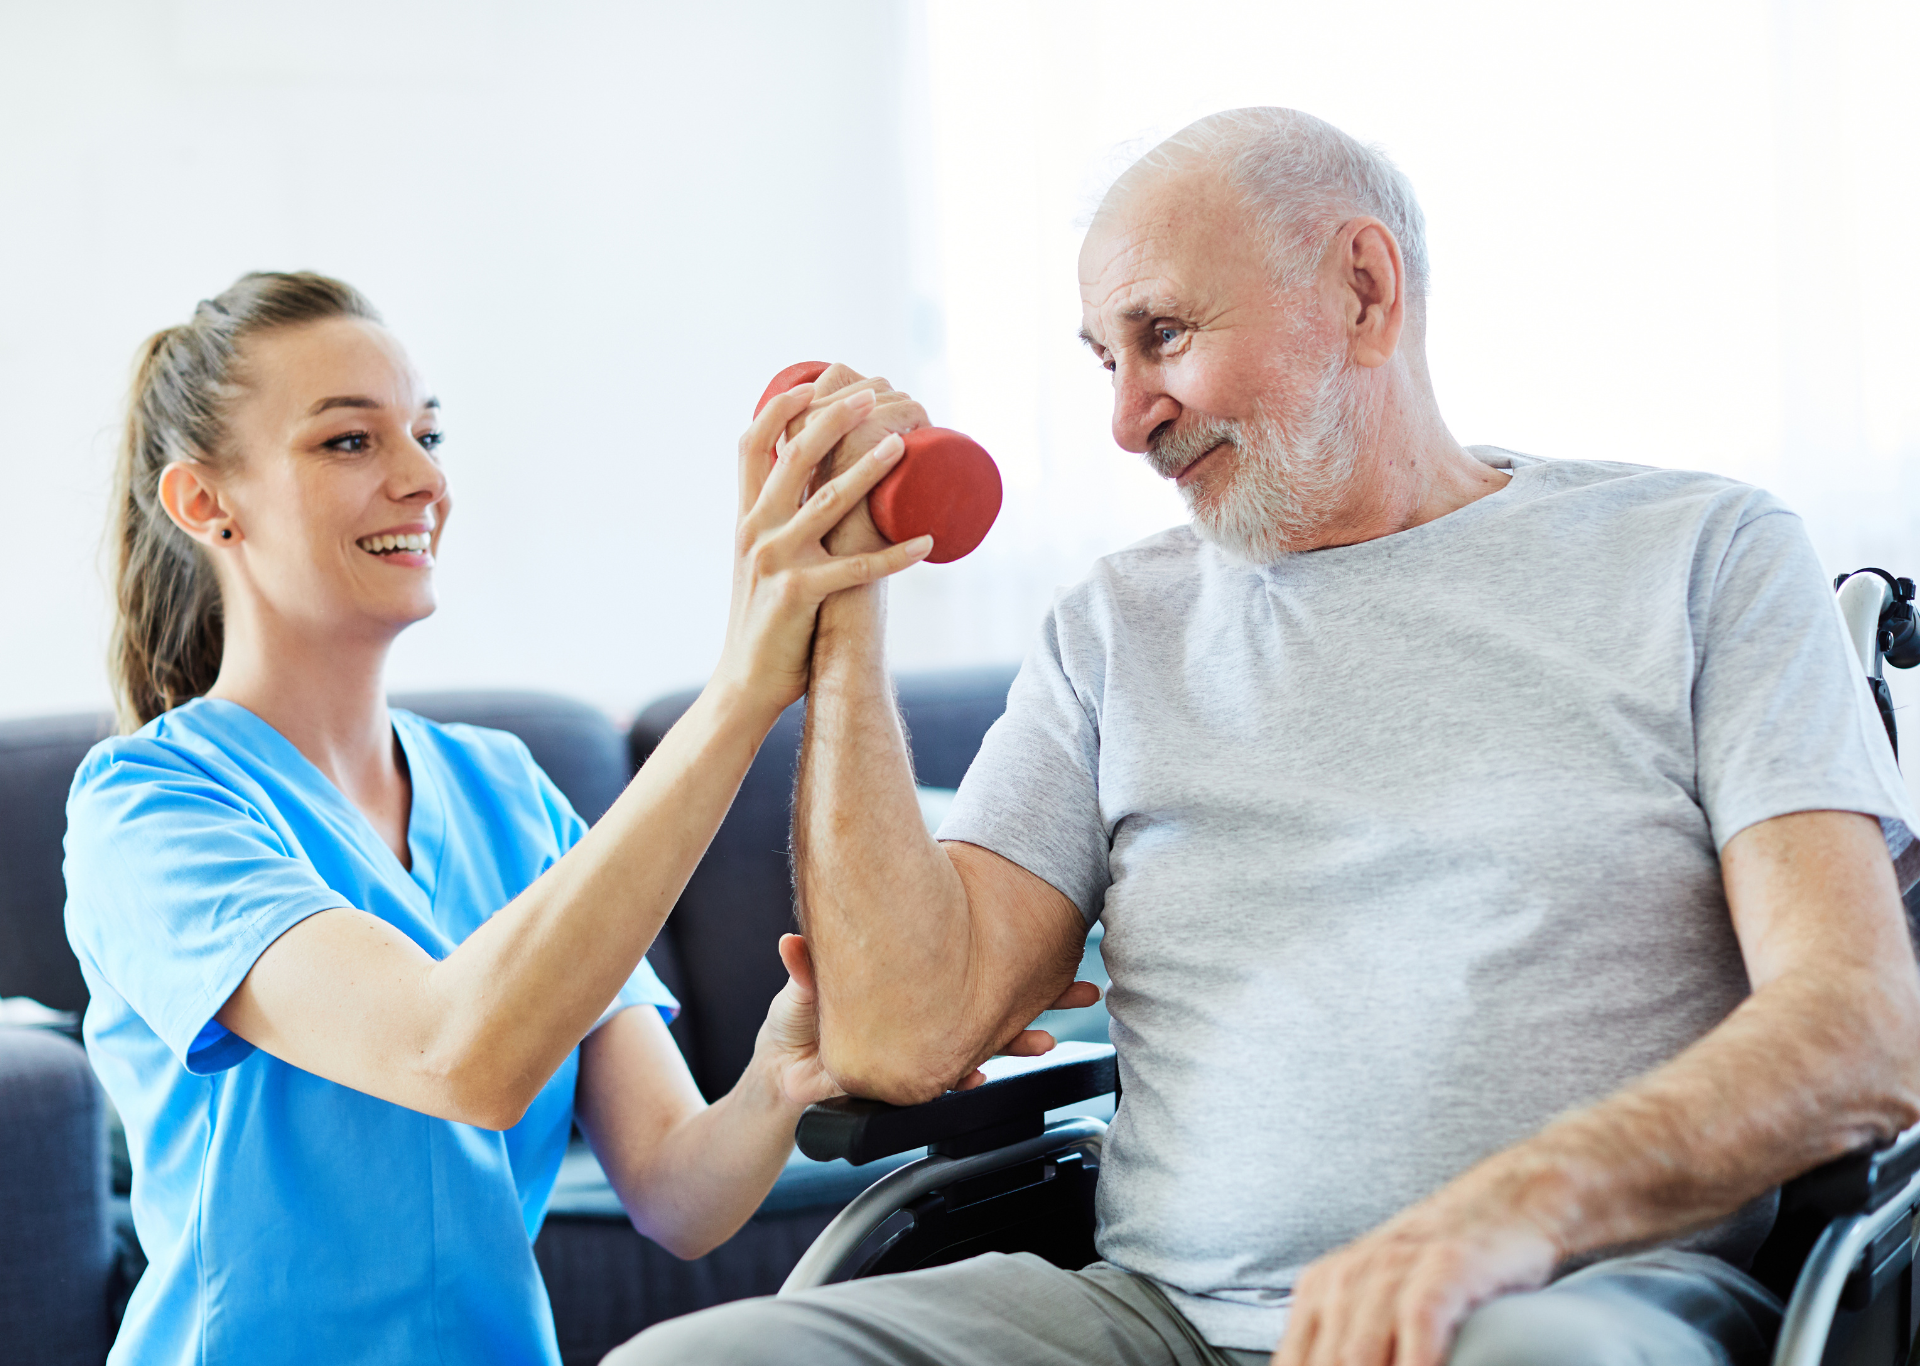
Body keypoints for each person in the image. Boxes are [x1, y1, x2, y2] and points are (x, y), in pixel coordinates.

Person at [608, 108, 1920, 1366]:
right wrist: (844, 612)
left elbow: (1862, 1022)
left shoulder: (1703, 558)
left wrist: (1511, 1208)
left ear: (1362, 288)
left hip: (1567, 1293)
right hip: (1159, 1319)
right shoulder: (1115, 628)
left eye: (1163, 335)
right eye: (1102, 360)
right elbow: (898, 1034)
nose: (1129, 416)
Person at [61, 270, 949, 1364]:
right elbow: (453, 1055)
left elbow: (678, 1189)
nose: (422, 477)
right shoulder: (148, 807)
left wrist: (781, 1066)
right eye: (350, 443)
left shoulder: (504, 790)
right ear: (205, 503)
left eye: (428, 434)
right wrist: (740, 692)